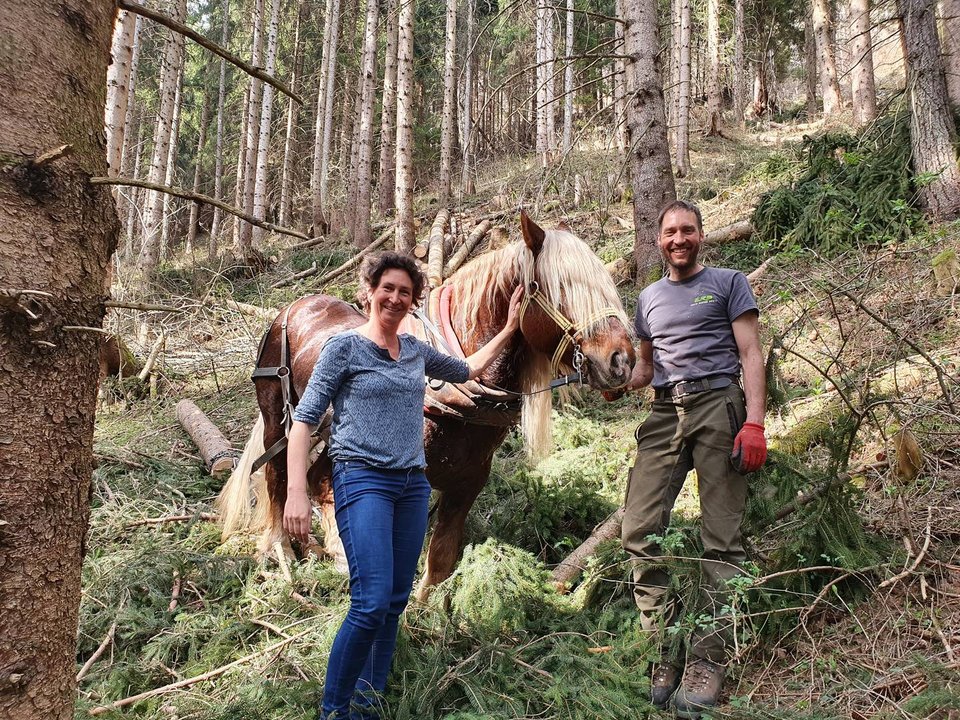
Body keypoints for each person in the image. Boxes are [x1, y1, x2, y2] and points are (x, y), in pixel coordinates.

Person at [283, 251, 523, 720]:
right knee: (370, 601)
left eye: (405, 292)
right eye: (387, 288)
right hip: (362, 480)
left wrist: (510, 329)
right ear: (369, 292)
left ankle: (368, 702)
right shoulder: (344, 349)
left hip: (411, 486)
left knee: (393, 601)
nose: (395, 298)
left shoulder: (415, 351)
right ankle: (335, 709)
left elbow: (468, 369)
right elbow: (304, 420)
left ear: (413, 302)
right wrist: (296, 490)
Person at [621, 200, 767, 718]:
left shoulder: (729, 282)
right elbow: (643, 369)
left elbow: (751, 353)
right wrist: (613, 382)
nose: (678, 239)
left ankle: (707, 661)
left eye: (687, 230)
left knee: (720, 539)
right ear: (658, 240)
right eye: (669, 232)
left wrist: (753, 422)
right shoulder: (648, 299)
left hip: (718, 405)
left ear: (701, 235)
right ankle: (663, 650)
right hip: (664, 410)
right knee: (637, 527)